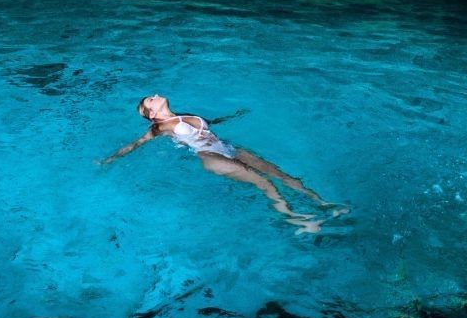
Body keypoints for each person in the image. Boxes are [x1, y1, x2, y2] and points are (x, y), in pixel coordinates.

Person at [101, 93, 345, 233]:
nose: (153, 96)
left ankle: (323, 204)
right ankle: (297, 220)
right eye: (149, 101)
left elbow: (210, 122)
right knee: (263, 182)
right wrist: (110, 159)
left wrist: (235, 115)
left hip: (226, 148)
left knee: (281, 175)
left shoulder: (184, 114)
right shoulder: (159, 127)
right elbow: (136, 143)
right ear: (151, 114)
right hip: (211, 157)